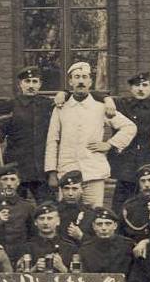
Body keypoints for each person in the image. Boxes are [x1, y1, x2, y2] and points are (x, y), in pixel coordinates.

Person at [45, 62, 137, 207]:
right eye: (76, 77)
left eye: (84, 77)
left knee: (94, 213)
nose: (80, 81)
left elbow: (129, 127)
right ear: (70, 82)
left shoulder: (101, 107)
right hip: (67, 171)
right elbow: (52, 140)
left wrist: (110, 144)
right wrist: (51, 172)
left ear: (90, 81)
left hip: (93, 171)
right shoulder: (61, 108)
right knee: (67, 212)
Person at [0, 66, 56, 203]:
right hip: (17, 168)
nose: (31, 85)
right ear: (20, 84)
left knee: (47, 207)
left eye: (34, 81)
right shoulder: (11, 106)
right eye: (27, 81)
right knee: (15, 207)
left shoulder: (47, 105)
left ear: (40, 84)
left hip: (41, 169)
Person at [107, 72, 150, 213]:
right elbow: (95, 96)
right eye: (136, 85)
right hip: (126, 166)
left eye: (145, 85)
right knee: (121, 206)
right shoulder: (121, 105)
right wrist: (107, 100)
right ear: (130, 89)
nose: (141, 89)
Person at [0, 163, 36, 264]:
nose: (9, 183)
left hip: (20, 258)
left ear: (18, 182)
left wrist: (26, 255)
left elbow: (33, 236)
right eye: (5, 179)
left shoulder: (27, 207)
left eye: (12, 179)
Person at [14, 201, 77, 272]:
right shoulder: (27, 248)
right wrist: (35, 268)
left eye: (49, 218)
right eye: (41, 218)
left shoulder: (69, 247)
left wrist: (62, 268)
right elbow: (18, 278)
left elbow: (79, 278)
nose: (45, 222)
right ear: (35, 222)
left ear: (58, 221)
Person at [78, 207, 135, 274]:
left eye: (108, 224)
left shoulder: (127, 246)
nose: (104, 228)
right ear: (94, 227)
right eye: (99, 224)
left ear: (115, 226)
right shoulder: (86, 249)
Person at [57, 170, 96, 246]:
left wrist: (81, 236)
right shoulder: (54, 211)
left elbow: (97, 242)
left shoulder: (90, 213)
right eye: (66, 189)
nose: (70, 193)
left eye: (75, 189)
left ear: (82, 190)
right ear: (61, 190)